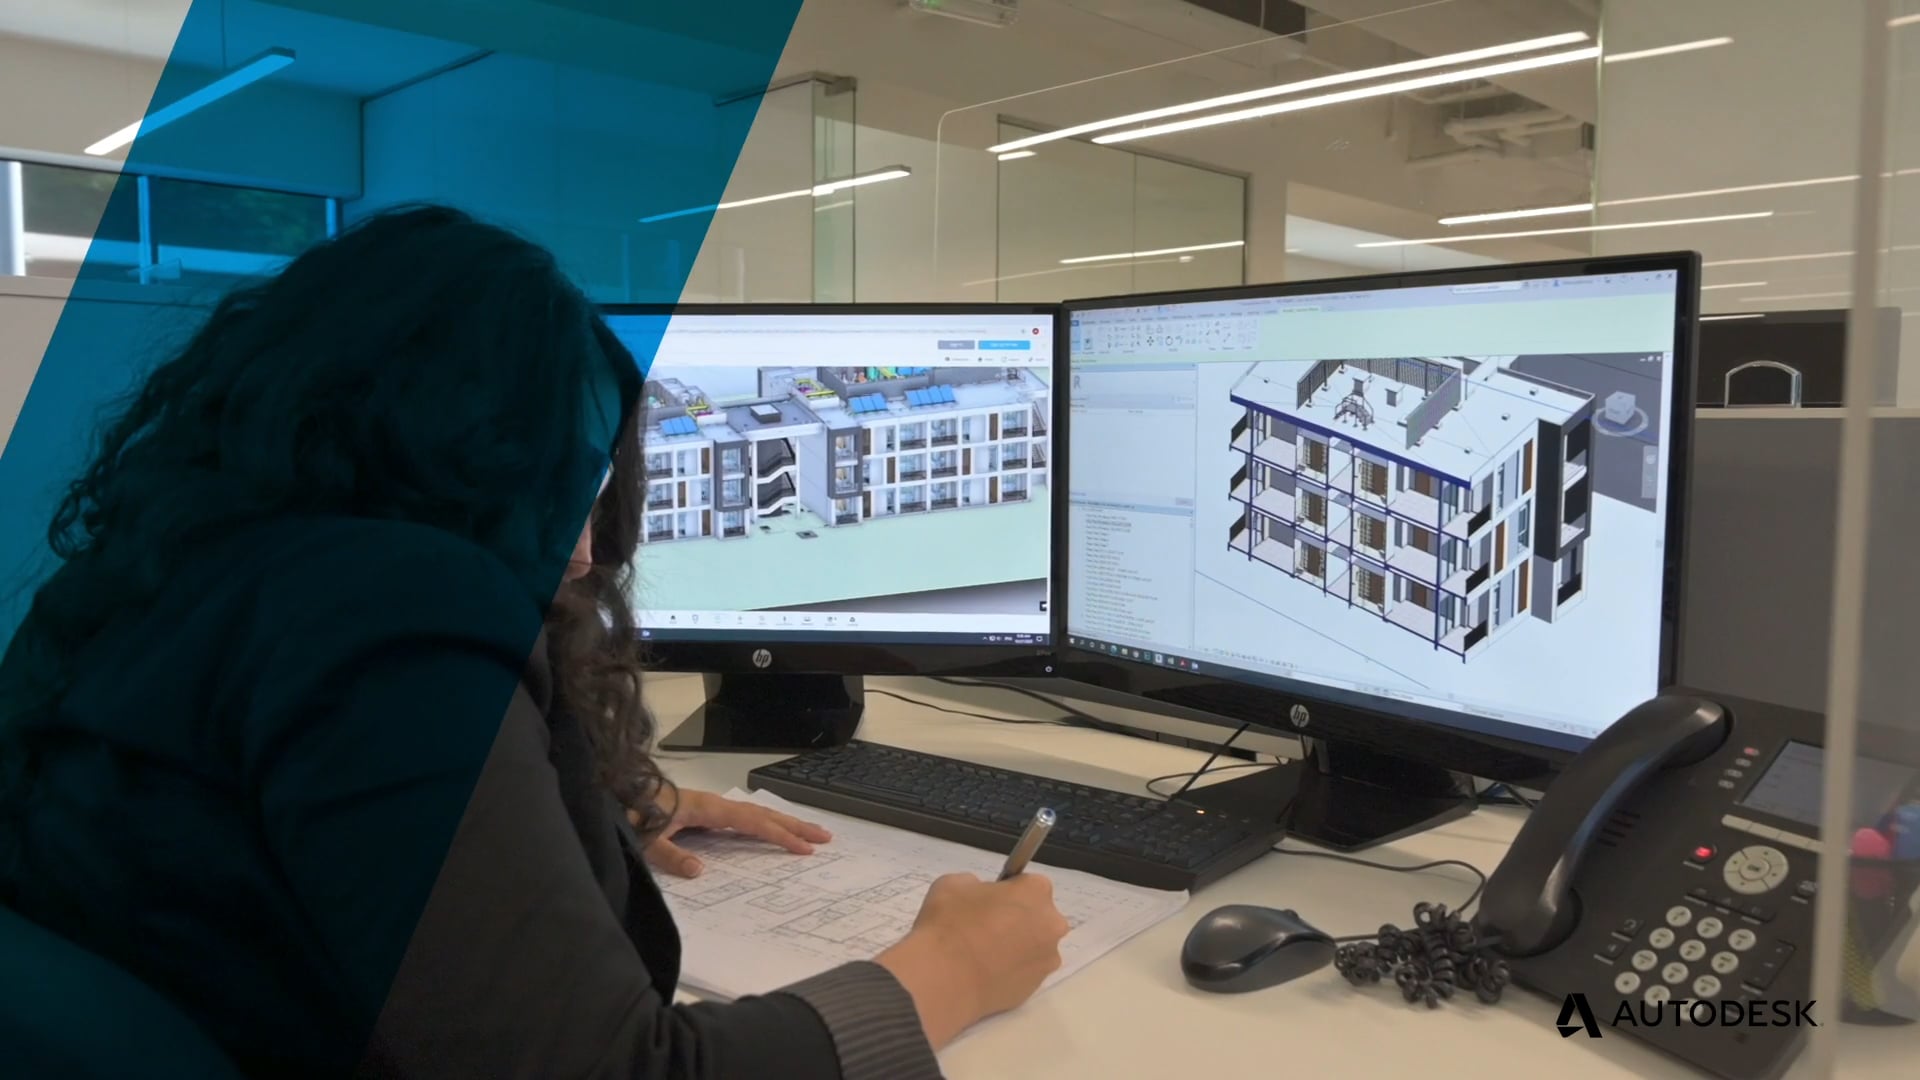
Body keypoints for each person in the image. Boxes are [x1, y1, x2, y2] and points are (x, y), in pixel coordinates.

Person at [0, 205, 1069, 1079]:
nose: (586, 553)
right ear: (451, 458)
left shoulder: (156, 579)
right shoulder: (394, 608)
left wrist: (564, 811)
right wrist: (948, 970)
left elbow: (262, 832)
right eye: (558, 483)